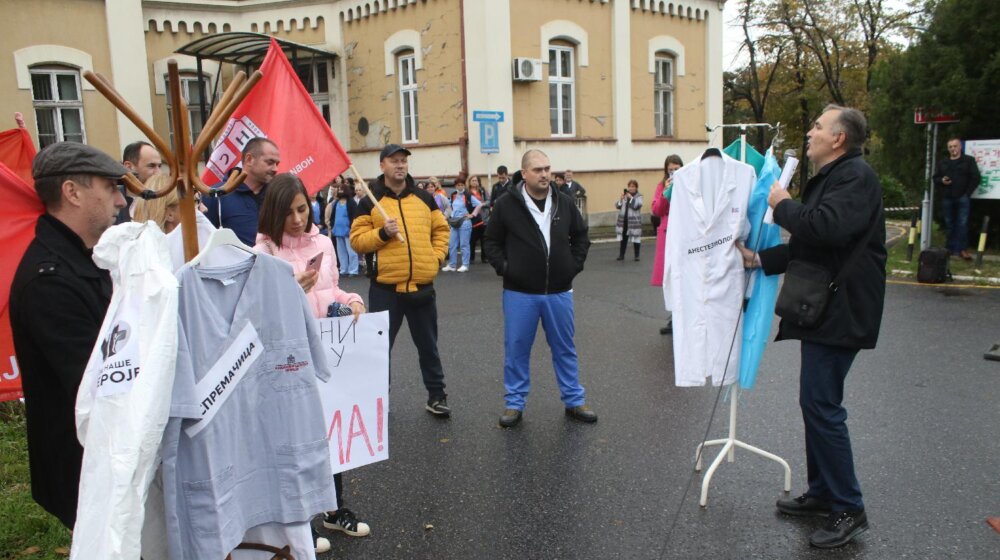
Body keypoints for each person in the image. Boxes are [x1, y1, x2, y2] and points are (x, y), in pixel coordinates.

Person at [743, 105, 886, 549]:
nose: (810, 132)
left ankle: (849, 507)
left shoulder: (855, 177)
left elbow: (824, 228)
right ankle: (824, 492)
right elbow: (812, 245)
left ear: (839, 139)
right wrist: (760, 260)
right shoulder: (835, 177)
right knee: (815, 403)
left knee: (822, 406)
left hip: (842, 309)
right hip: (827, 306)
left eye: (818, 127)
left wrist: (783, 203)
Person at [9, 142, 128, 528]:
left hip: (105, 462)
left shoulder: (84, 258)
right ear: (72, 192)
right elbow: (98, 387)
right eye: (110, 186)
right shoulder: (50, 282)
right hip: (85, 472)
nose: (121, 200)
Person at [484, 149, 595, 428]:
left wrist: (572, 266)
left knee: (564, 347)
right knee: (517, 348)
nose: (545, 174)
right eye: (538, 169)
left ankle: (573, 399)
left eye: (547, 168)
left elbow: (581, 237)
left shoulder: (564, 201)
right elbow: (491, 242)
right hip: (520, 293)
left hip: (559, 290)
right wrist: (507, 270)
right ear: (524, 174)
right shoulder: (506, 204)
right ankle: (514, 403)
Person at [350, 144, 452, 416]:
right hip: (385, 289)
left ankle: (436, 396)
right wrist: (382, 233)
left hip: (421, 286)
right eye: (394, 161)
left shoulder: (423, 197)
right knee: (380, 349)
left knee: (429, 346)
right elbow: (357, 241)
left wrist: (437, 258)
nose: (400, 165)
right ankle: (379, 399)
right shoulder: (369, 201)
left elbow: (441, 230)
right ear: (382, 165)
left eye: (403, 161)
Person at [202, 137, 280, 246]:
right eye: (270, 162)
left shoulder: (278, 195)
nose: (275, 169)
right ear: (249, 159)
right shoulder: (217, 195)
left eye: (277, 164)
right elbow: (202, 238)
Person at [933, 137, 981, 260]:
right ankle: (949, 249)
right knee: (949, 224)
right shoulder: (943, 162)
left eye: (955, 146)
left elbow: (975, 177)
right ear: (948, 149)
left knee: (962, 223)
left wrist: (967, 193)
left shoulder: (968, 161)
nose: (953, 149)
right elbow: (935, 178)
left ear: (960, 147)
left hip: (962, 197)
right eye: (950, 147)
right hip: (947, 197)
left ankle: (962, 249)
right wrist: (942, 181)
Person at [651, 155, 683, 335]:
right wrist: (666, 193)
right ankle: (673, 317)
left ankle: (682, 316)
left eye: (677, 169)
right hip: (667, 234)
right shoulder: (662, 186)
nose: (674, 172)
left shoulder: (689, 182)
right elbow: (657, 210)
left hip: (683, 235)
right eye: (671, 169)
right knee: (669, 277)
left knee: (683, 275)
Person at [117, 140, 163, 223]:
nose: (158, 172)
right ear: (129, 167)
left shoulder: (167, 200)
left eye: (160, 166)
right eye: (151, 166)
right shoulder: (112, 203)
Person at [442, 176, 482, 272]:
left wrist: (472, 214)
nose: (460, 187)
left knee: (464, 244)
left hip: (465, 221)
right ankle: (452, 265)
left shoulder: (468, 195)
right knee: (452, 244)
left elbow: (479, 204)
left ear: (464, 185)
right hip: (454, 221)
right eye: (458, 185)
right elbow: (450, 205)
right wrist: (449, 215)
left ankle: (465, 264)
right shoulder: (453, 195)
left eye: (462, 185)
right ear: (455, 186)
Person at [330, 183, 360, 276]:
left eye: (342, 189)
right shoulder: (336, 203)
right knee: (341, 252)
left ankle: (353, 270)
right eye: (339, 189)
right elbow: (333, 216)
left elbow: (355, 216)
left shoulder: (351, 202)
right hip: (338, 231)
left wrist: (352, 227)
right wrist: (332, 225)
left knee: (351, 252)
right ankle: (344, 269)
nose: (340, 191)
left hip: (348, 231)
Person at [615, 179, 643, 261]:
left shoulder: (639, 196)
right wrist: (621, 199)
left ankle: (636, 256)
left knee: (636, 238)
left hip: (634, 221)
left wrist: (631, 198)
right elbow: (618, 206)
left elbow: (637, 206)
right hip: (624, 221)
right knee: (623, 239)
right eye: (630, 186)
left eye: (633, 186)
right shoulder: (625, 196)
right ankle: (621, 255)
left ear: (636, 187)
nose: (631, 188)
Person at [468, 175, 490, 263]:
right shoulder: (467, 192)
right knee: (472, 240)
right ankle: (471, 258)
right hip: (473, 219)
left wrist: (482, 204)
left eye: (476, 180)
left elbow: (489, 200)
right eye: (472, 180)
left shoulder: (483, 191)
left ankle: (484, 258)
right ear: (469, 182)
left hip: (484, 218)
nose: (474, 182)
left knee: (484, 239)